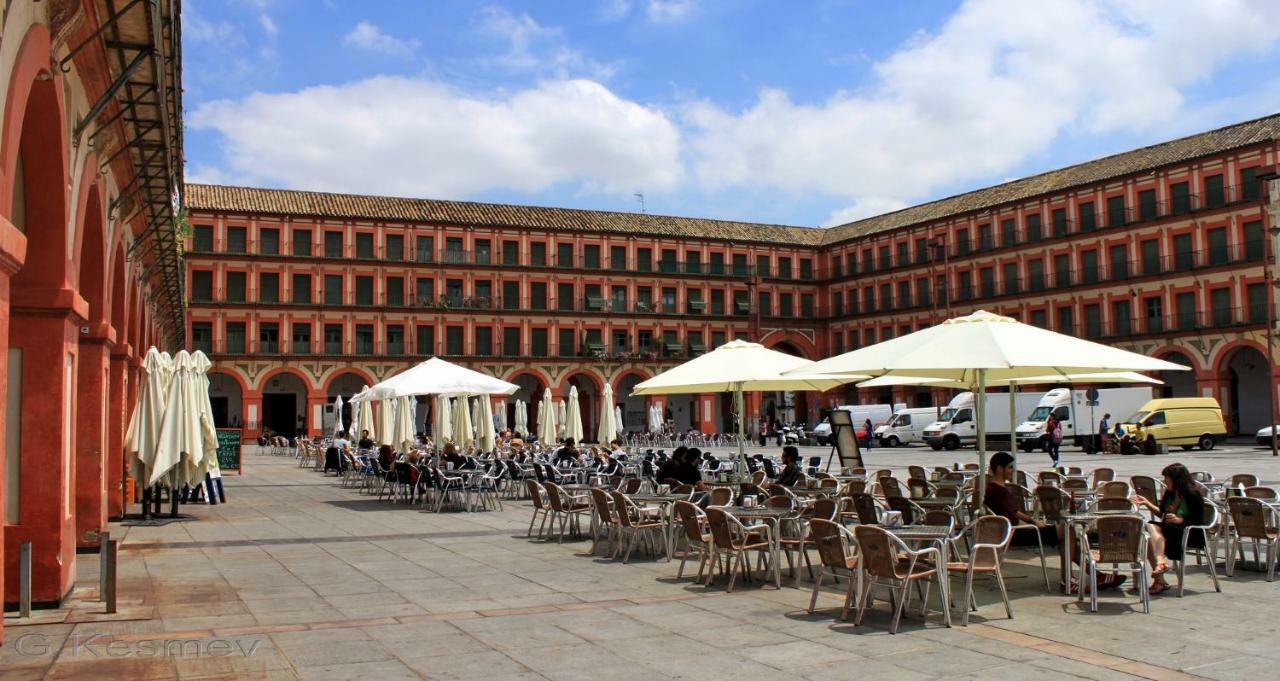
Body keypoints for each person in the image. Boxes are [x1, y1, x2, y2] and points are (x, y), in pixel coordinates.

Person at [984, 451, 1125, 592]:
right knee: (1067, 530)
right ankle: (1069, 579)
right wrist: (1033, 522)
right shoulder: (997, 491)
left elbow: (1012, 512)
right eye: (1009, 467)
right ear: (999, 469)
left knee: (1065, 536)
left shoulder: (995, 489)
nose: (1012, 470)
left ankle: (1091, 574)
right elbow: (1012, 514)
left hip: (1013, 532)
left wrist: (1034, 522)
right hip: (1014, 534)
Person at [1130, 463, 1205, 595]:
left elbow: (1198, 519)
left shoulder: (1193, 495)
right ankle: (1160, 569)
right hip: (1170, 530)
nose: (1165, 481)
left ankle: (1160, 576)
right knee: (1147, 534)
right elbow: (1162, 514)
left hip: (1188, 532)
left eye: (1167, 479)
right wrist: (1147, 503)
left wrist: (1180, 520)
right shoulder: (1170, 493)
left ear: (1177, 479)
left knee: (1149, 532)